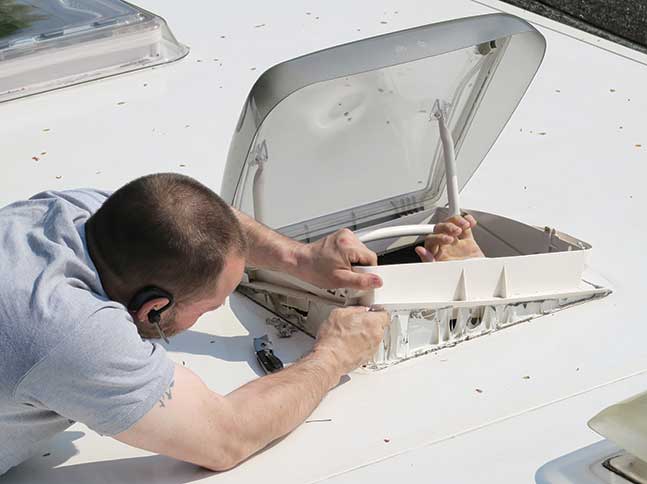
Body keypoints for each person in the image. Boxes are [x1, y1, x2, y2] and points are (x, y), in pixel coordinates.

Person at [0, 173, 482, 475]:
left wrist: (299, 257)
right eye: (210, 307)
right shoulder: (71, 330)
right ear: (151, 309)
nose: (209, 316)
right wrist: (333, 355)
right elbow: (224, 438)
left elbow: (198, 214)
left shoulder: (71, 212)